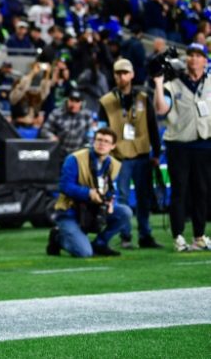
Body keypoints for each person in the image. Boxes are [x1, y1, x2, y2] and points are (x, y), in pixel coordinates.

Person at [98, 58, 163, 249]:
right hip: (119, 157)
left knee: (144, 198)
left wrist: (157, 152)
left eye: (125, 73)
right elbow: (101, 131)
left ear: (132, 74)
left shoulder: (143, 97)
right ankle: (125, 236)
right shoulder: (107, 101)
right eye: (118, 73)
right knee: (123, 198)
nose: (122, 76)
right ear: (113, 75)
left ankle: (145, 235)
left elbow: (153, 126)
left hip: (142, 154)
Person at [153, 42, 211, 252]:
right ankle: (178, 236)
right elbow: (161, 109)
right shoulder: (174, 84)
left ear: (205, 60)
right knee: (180, 191)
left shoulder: (210, 82)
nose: (194, 59)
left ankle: (199, 236)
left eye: (198, 55)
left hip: (204, 143)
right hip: (179, 144)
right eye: (191, 55)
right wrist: (159, 83)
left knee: (202, 192)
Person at [48, 127, 132, 257]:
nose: (102, 144)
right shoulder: (74, 159)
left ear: (113, 146)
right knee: (84, 253)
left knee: (125, 212)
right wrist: (88, 193)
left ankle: (100, 243)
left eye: (106, 141)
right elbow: (65, 186)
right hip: (70, 211)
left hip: (94, 210)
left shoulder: (114, 164)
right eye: (99, 140)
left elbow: (111, 190)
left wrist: (110, 201)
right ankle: (58, 238)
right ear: (93, 142)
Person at [39, 89, 93, 156]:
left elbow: (91, 134)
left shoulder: (87, 115)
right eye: (71, 101)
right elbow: (44, 130)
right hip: (59, 152)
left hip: (78, 153)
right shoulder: (56, 113)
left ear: (81, 103)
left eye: (77, 101)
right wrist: (51, 136)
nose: (73, 104)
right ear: (67, 100)